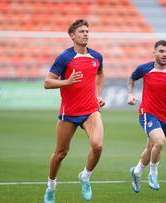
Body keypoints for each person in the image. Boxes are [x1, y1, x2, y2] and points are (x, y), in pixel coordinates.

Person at [43, 19, 105, 203]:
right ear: (72, 36)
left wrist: (99, 94)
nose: (86, 34)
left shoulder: (97, 57)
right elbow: (47, 82)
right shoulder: (64, 57)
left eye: (87, 31)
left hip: (91, 110)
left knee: (98, 146)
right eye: (81, 32)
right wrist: (67, 82)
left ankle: (85, 176)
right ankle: (51, 187)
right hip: (69, 113)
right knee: (60, 153)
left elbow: (100, 74)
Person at [127, 40, 166, 193]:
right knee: (160, 142)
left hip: (165, 117)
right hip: (147, 113)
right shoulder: (145, 69)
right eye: (161, 51)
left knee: (151, 149)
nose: (164, 54)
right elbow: (131, 78)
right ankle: (153, 174)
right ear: (154, 53)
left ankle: (136, 172)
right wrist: (130, 94)